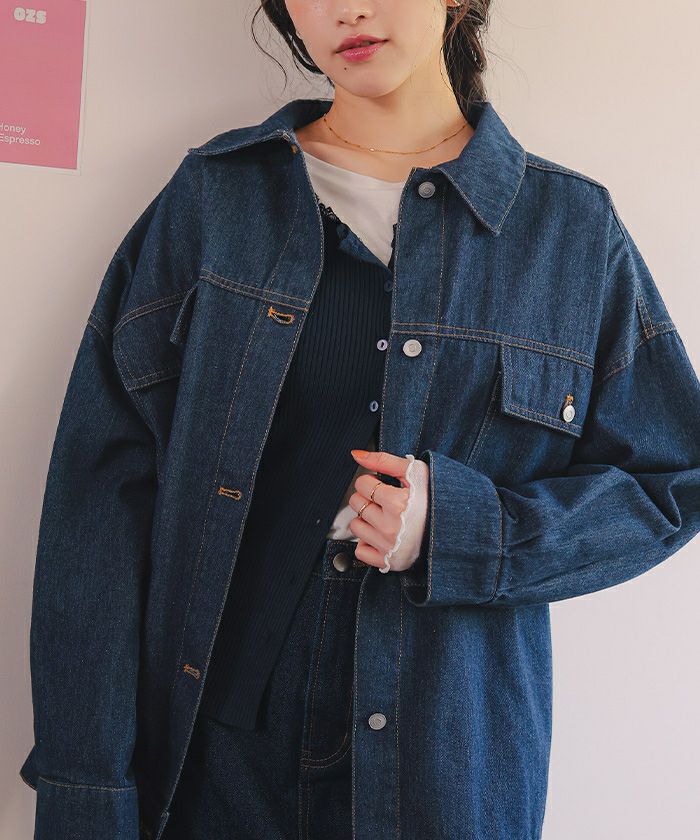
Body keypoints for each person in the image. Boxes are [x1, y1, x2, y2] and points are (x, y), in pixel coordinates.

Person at [19, 1, 700, 839]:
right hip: (218, 767)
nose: (346, 8)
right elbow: (98, 507)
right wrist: (87, 790)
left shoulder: (569, 234)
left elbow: (673, 481)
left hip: (445, 770)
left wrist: (465, 531)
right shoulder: (218, 200)